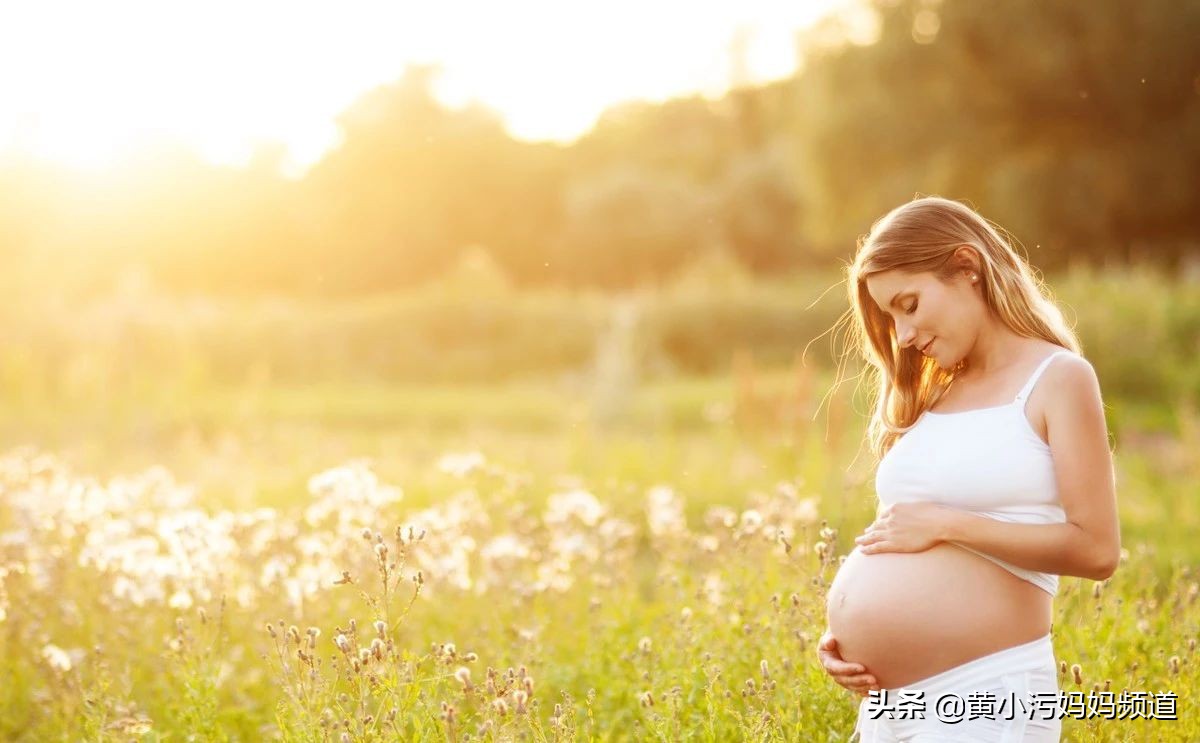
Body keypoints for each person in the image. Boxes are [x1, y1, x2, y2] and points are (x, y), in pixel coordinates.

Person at [816, 196, 1121, 741]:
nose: (903, 334)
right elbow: (899, 533)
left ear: (966, 266)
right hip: (890, 706)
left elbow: (1096, 550)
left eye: (909, 304)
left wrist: (946, 524)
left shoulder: (1058, 378)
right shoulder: (931, 396)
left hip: (987, 695)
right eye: (890, 317)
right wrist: (843, 635)